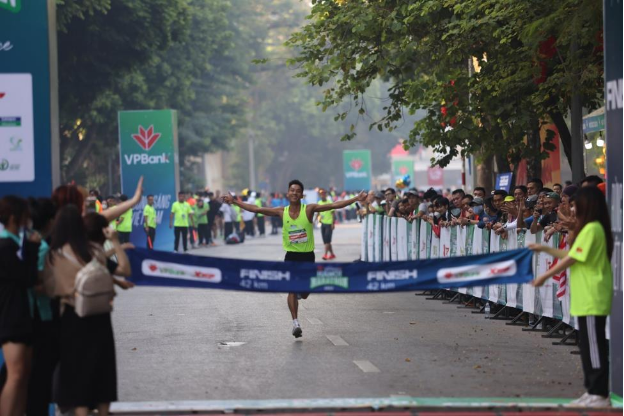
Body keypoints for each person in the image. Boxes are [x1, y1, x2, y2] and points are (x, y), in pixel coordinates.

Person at [222, 180, 367, 338]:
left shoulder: (309, 209)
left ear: (302, 195)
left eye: (298, 191)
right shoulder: (281, 212)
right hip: (291, 256)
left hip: (307, 256)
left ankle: (301, 292)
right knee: (291, 288)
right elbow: (256, 209)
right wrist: (235, 202)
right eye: (292, 190)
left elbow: (333, 205)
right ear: (288, 193)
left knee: (304, 293)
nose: (295, 193)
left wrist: (355, 199)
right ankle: (295, 322)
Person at [529, 186, 613, 407]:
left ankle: (600, 393)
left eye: (576, 205)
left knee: (594, 347)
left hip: (593, 295)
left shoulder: (593, 229)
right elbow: (570, 254)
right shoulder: (587, 229)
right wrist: (544, 249)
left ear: (589, 206)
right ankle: (592, 391)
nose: (572, 208)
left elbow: (572, 259)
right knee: (587, 346)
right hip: (585, 297)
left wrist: (545, 276)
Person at [48, 207, 132, 415]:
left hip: (71, 318)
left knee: (78, 374)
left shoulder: (53, 255)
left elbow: (49, 289)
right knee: (102, 370)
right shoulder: (92, 252)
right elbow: (124, 269)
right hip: (99, 317)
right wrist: (114, 242)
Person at [0, 196, 41, 416]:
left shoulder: (15, 243)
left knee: (22, 374)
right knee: (15, 375)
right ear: (15, 218)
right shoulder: (5, 246)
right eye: (25, 217)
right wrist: (33, 250)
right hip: (11, 316)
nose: (29, 221)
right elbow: (27, 278)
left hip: (23, 313)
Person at [315, 188, 336, 260]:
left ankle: (325, 255)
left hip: (329, 224)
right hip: (323, 224)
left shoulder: (329, 202)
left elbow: (333, 213)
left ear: (326, 195)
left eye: (324, 194)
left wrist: (333, 223)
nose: (322, 195)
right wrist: (315, 220)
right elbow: (318, 213)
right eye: (321, 194)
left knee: (327, 240)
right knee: (326, 241)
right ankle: (332, 254)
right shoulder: (319, 202)